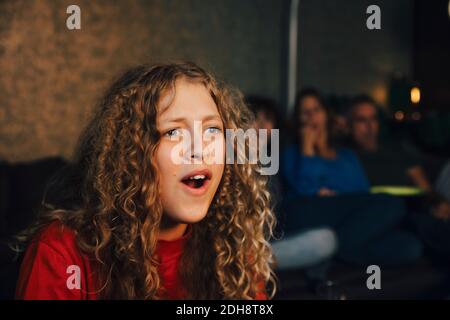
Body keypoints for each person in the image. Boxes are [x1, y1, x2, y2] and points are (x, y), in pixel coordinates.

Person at [14, 62, 275, 300]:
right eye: (173, 131)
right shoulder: (62, 252)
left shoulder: (232, 248)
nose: (200, 148)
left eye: (212, 130)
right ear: (130, 153)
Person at [280, 88, 423, 267]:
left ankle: (335, 249)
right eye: (305, 112)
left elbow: (362, 192)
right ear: (298, 119)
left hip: (346, 216)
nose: (311, 117)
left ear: (326, 114)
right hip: (309, 211)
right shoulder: (292, 153)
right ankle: (338, 246)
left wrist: (340, 199)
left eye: (316, 110)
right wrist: (307, 148)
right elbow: (305, 190)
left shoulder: (346, 155)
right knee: (392, 203)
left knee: (409, 246)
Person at [347, 95, 450, 255]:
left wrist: (439, 203)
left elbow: (425, 188)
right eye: (361, 120)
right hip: (379, 213)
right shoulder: (346, 156)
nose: (369, 126)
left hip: (414, 209)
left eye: (373, 119)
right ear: (349, 125)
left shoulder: (398, 150)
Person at [245, 96, 338, 271]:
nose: (261, 126)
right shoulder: (224, 162)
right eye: (253, 119)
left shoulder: (275, 162)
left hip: (269, 241)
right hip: (237, 241)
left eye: (268, 120)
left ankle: (251, 263)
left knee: (325, 239)